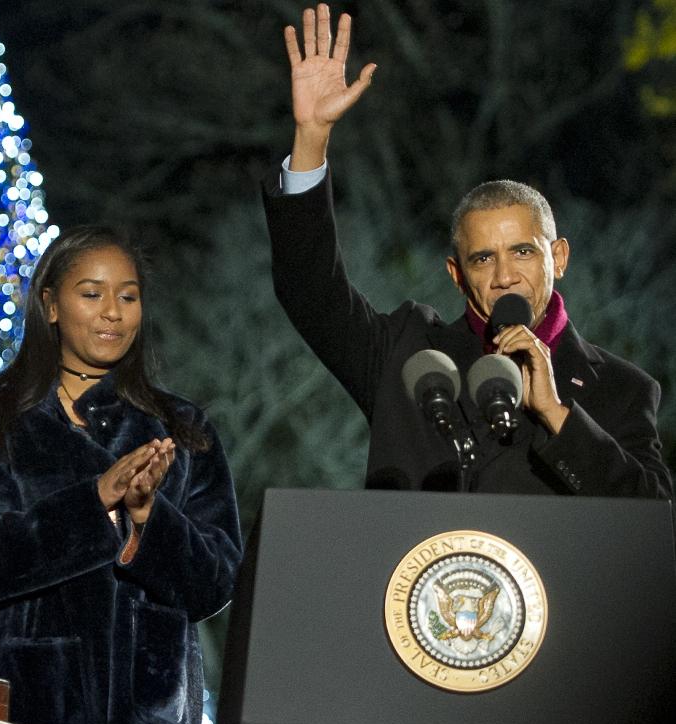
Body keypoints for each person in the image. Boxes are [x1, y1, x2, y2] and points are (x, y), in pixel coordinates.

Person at [266, 4, 671, 497]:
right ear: (456, 275)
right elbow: (311, 291)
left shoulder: (621, 389)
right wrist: (312, 138)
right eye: (483, 258)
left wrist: (557, 414)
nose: (504, 275)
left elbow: (651, 521)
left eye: (522, 252)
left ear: (558, 258)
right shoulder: (409, 353)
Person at [0, 226, 242, 724]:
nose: (112, 312)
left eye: (128, 296)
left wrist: (146, 517)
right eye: (92, 293)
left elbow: (215, 581)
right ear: (50, 305)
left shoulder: (181, 429)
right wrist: (93, 501)